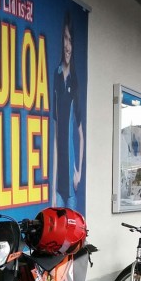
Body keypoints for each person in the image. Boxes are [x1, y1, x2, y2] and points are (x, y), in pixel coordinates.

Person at [52, 11, 84, 210]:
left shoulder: (75, 82)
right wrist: (52, 190)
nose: (67, 45)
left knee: (72, 229)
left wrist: (78, 171)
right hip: (59, 186)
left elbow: (80, 135)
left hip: (71, 187)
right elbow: (57, 139)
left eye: (70, 40)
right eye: (65, 38)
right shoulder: (56, 77)